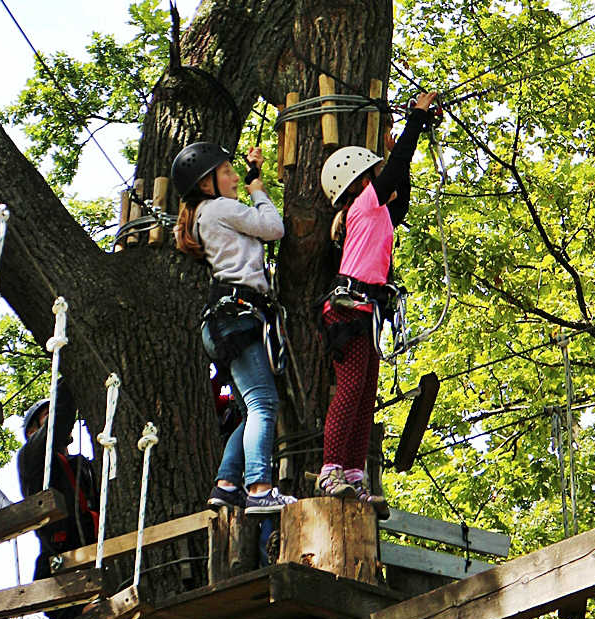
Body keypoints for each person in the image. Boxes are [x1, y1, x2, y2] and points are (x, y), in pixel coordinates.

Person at [316, 91, 439, 520]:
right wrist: (416, 119)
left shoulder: (378, 211)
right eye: (375, 172)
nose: (381, 177)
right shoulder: (362, 205)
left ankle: (352, 473)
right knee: (350, 391)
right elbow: (397, 171)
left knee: (366, 394)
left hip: (366, 311)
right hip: (349, 309)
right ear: (359, 181)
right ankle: (330, 469)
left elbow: (399, 192)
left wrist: (398, 148)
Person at [173, 141, 297, 514]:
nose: (234, 177)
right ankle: (259, 487)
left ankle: (227, 485)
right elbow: (274, 229)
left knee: (249, 408)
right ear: (207, 183)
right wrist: (258, 192)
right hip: (238, 316)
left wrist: (253, 176)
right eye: (227, 172)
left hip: (222, 321)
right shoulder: (220, 208)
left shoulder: (204, 214)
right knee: (263, 403)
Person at [17, 379, 99, 619]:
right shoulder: (31, 456)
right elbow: (60, 419)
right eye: (46, 415)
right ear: (33, 432)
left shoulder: (81, 465)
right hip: (62, 546)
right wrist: (69, 374)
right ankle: (82, 614)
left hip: (94, 541)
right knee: (50, 585)